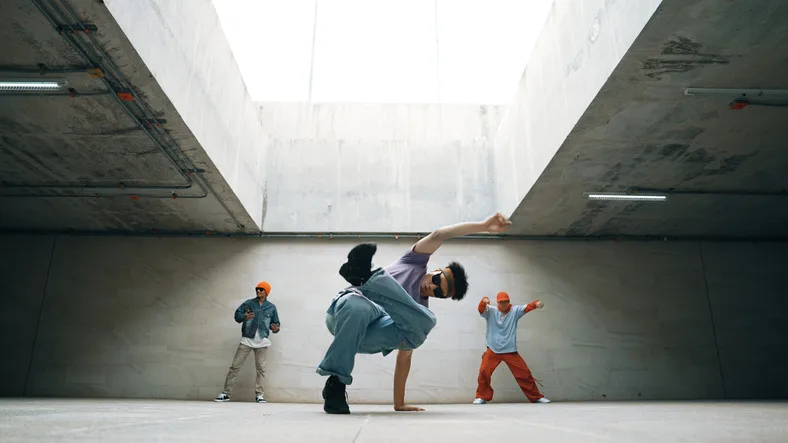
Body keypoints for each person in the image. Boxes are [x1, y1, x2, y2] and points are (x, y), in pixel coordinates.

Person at [317, 212, 513, 414]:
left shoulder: (417, 312)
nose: (432, 287)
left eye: (438, 292)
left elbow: (405, 356)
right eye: (436, 280)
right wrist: (482, 225)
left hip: (367, 336)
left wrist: (399, 403)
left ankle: (372, 280)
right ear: (436, 270)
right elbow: (439, 235)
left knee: (426, 321)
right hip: (346, 312)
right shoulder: (413, 262)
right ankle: (337, 384)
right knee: (361, 306)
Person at [473, 291, 550, 405]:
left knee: (524, 373)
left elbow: (529, 306)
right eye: (501, 302)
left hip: (510, 350)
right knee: (484, 371)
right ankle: (481, 397)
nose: (503, 304)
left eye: (505, 301)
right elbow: (481, 309)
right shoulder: (491, 311)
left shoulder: (515, 311)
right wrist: (483, 301)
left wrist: (537, 303)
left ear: (509, 301)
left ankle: (536, 397)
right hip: (493, 349)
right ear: (498, 303)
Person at [215, 281, 281, 403]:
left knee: (261, 369)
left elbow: (276, 324)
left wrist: (276, 328)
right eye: (257, 289)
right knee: (234, 367)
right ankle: (226, 393)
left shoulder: (271, 307)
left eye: (261, 289)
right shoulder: (249, 303)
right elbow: (237, 316)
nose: (258, 291)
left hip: (262, 341)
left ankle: (259, 395)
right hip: (247, 339)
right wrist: (244, 317)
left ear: (266, 291)